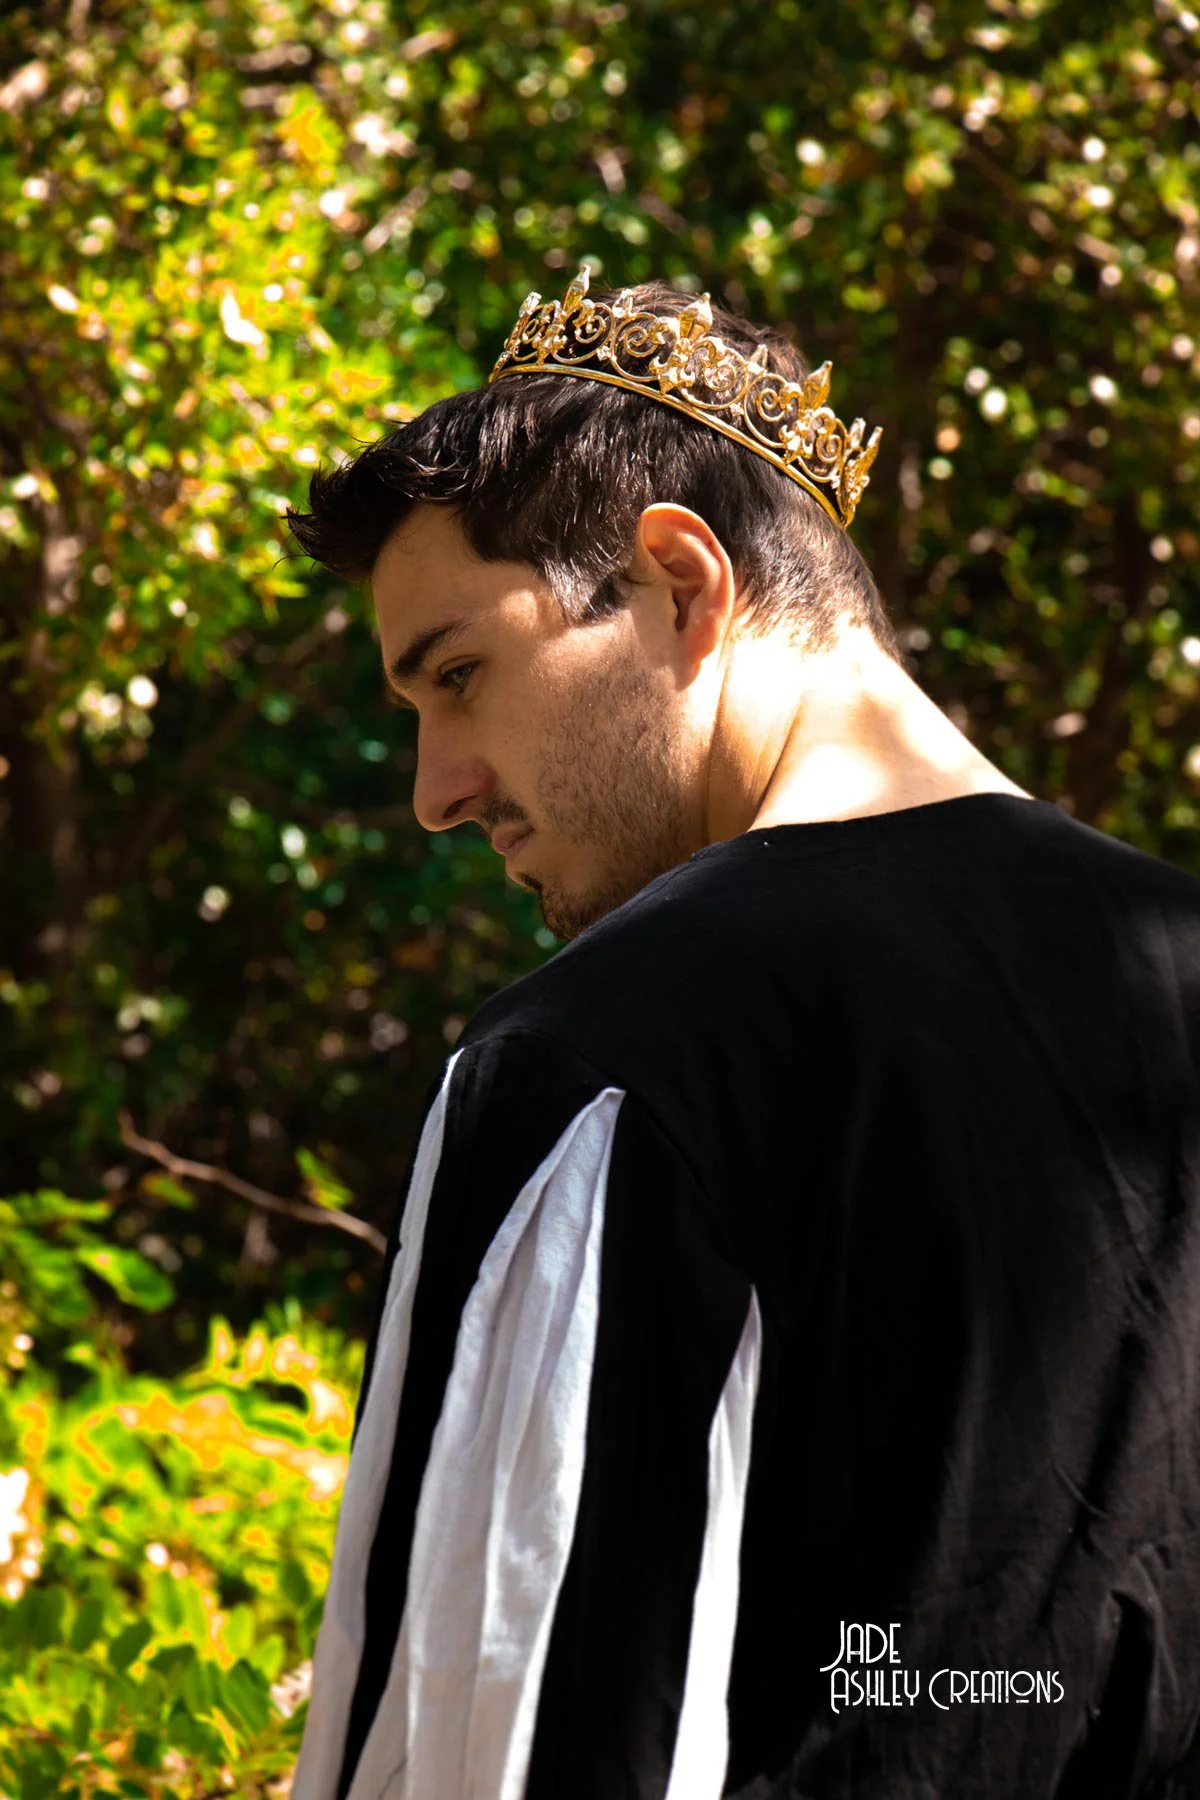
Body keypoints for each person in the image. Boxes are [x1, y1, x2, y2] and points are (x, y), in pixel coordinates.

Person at [284, 270, 1200, 1800]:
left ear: (681, 582)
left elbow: (494, 1730)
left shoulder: (603, 1054)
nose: (437, 787)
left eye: (458, 677)